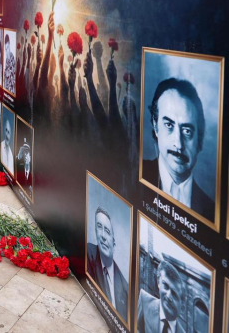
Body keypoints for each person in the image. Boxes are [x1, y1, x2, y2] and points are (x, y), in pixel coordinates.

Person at [142, 78, 212, 220]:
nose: (179, 144)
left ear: (199, 140)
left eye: (187, 131)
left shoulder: (211, 212)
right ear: (155, 125)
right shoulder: (132, 174)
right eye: (169, 125)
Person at [86, 207, 128, 319]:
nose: (103, 236)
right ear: (96, 232)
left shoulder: (125, 287)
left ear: (114, 243)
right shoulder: (88, 253)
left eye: (108, 231)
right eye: (99, 227)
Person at [137, 260, 184, 333]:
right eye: (166, 286)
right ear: (158, 282)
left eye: (174, 294)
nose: (168, 296)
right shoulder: (144, 302)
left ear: (182, 305)